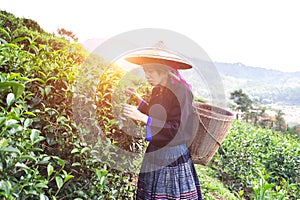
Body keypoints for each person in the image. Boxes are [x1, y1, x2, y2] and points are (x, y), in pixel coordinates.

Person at [123, 48, 203, 200]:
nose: (147, 76)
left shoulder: (182, 92)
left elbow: (175, 129)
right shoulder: (158, 90)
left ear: (164, 71)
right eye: (145, 71)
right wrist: (138, 99)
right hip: (156, 151)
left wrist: (143, 118)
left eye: (151, 71)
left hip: (172, 154)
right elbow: (157, 114)